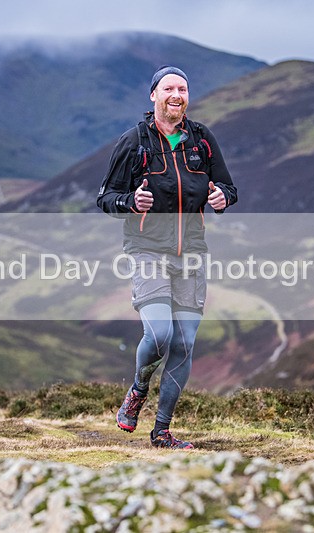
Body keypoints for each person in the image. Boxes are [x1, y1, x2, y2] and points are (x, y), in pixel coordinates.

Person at [97, 65, 238, 449]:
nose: (177, 94)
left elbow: (227, 185)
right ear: (154, 96)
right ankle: (139, 388)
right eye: (169, 88)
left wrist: (222, 197)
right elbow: (105, 198)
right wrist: (130, 201)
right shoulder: (134, 142)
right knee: (159, 334)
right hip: (147, 251)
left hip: (191, 253)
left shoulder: (202, 140)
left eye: (183, 88)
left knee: (184, 343)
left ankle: (161, 431)